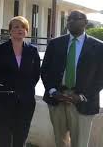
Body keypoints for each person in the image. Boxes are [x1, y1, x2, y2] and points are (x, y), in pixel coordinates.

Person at [41, 10, 103, 147]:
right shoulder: (55, 43)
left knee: (80, 143)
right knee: (60, 141)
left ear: (85, 22)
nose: (71, 21)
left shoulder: (99, 47)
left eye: (75, 18)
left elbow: (100, 77)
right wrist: (52, 91)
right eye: (69, 19)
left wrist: (81, 96)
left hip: (83, 101)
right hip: (57, 98)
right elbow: (45, 70)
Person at [0, 16, 40, 147]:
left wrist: (25, 89)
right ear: (10, 31)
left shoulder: (32, 50)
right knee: (4, 137)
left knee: (21, 137)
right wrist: (1, 90)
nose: (20, 30)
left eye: (23, 27)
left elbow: (36, 74)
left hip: (26, 101)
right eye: (16, 27)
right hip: (3, 100)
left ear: (27, 31)